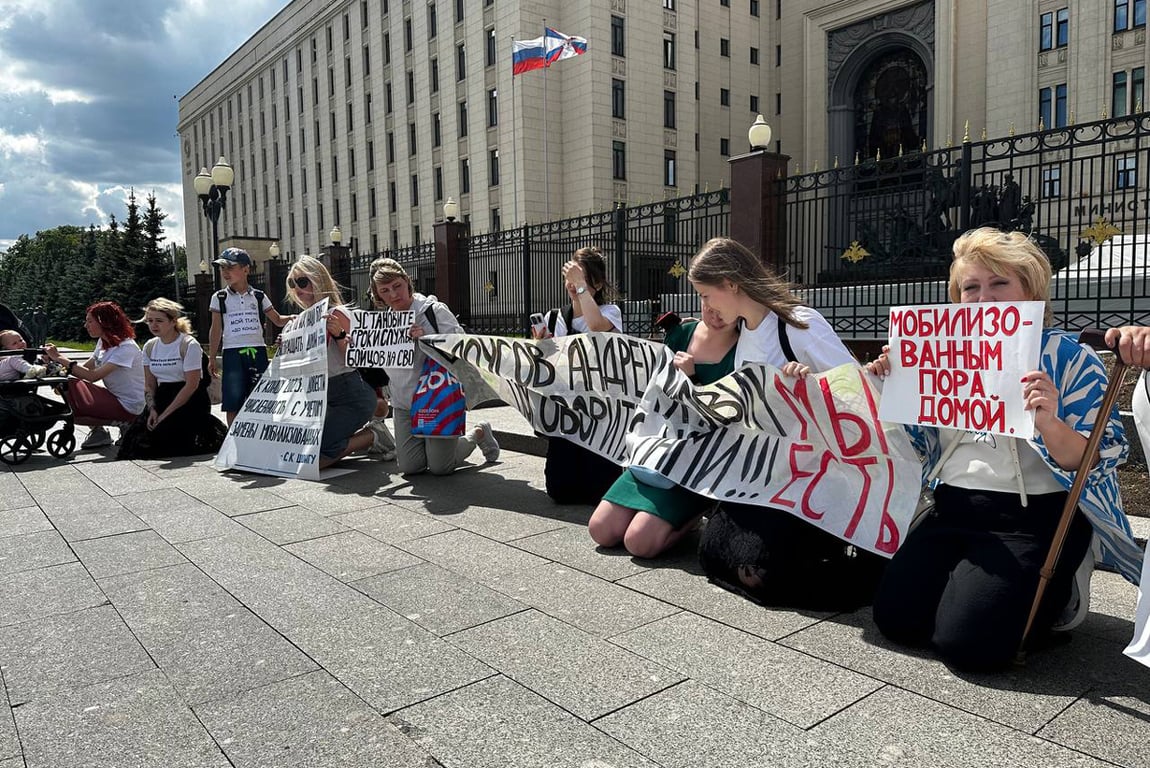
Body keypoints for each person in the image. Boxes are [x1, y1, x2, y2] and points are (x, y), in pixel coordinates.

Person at [866, 227, 1141, 672]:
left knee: (968, 648)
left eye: (999, 283)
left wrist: (1048, 420)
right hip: (953, 506)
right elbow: (916, 442)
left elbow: (1091, 460)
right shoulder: (940, 352)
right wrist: (890, 384)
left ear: (1031, 290)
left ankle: (1060, 585)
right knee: (896, 621)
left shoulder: (1070, 357)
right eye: (970, 287)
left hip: (1034, 515)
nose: (983, 298)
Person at [687, 237, 886, 610]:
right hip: (770, 474)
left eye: (706, 295)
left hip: (814, 476)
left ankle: (859, 571)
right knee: (712, 552)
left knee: (757, 572)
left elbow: (857, 394)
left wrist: (809, 390)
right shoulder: (744, 333)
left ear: (730, 283)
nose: (706, 306)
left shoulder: (799, 324)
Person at [589, 306, 738, 558]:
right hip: (658, 452)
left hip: (696, 464)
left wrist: (692, 380)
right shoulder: (681, 333)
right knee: (601, 530)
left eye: (723, 306)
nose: (716, 314)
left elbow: (729, 416)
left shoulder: (745, 347)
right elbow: (655, 395)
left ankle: (695, 514)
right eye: (707, 301)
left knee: (639, 543)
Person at [370, 258, 499, 475]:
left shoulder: (433, 311)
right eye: (385, 290)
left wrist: (427, 339)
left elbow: (461, 346)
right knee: (410, 467)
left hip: (437, 398)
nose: (393, 294)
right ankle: (432, 446)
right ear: (378, 295)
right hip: (403, 403)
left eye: (397, 286)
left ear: (407, 282)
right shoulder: (383, 325)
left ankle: (479, 432)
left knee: (441, 467)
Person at [532, 247, 625, 504]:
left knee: (600, 491)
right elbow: (547, 363)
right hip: (566, 410)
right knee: (560, 490)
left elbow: (596, 328)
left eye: (580, 278)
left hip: (599, 409)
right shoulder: (554, 318)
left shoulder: (610, 313)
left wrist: (581, 286)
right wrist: (542, 345)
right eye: (570, 278)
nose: (573, 285)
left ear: (598, 283)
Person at [284, 256, 378, 469]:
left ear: (318, 281)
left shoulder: (336, 313)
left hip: (350, 393)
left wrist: (339, 335)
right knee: (301, 452)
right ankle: (357, 438)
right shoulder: (299, 321)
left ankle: (373, 436)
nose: (297, 288)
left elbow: (357, 359)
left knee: (314, 460)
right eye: (292, 283)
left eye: (302, 281)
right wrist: (286, 347)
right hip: (318, 397)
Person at [117, 298, 227, 460]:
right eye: (150, 321)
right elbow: (149, 384)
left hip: (190, 398)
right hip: (163, 396)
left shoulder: (189, 344)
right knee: (136, 445)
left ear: (173, 321)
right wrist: (152, 409)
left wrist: (165, 415)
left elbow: (192, 385)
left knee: (173, 441)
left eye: (159, 321)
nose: (154, 325)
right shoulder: (150, 346)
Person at [206, 248, 292, 425]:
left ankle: (261, 435)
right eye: (222, 268)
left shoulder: (258, 296)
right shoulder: (220, 297)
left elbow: (277, 320)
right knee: (233, 401)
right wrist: (212, 357)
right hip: (232, 353)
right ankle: (233, 437)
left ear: (246, 269)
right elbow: (216, 329)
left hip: (257, 351)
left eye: (230, 267)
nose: (225, 272)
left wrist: (294, 318)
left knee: (261, 398)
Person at [43, 301, 145, 450]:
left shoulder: (126, 348)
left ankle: (128, 423)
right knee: (70, 404)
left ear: (104, 322)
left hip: (130, 405)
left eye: (90, 321)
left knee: (71, 387)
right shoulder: (103, 342)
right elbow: (85, 369)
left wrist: (59, 357)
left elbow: (93, 376)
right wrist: (56, 365)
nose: (86, 325)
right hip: (116, 397)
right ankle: (99, 432)